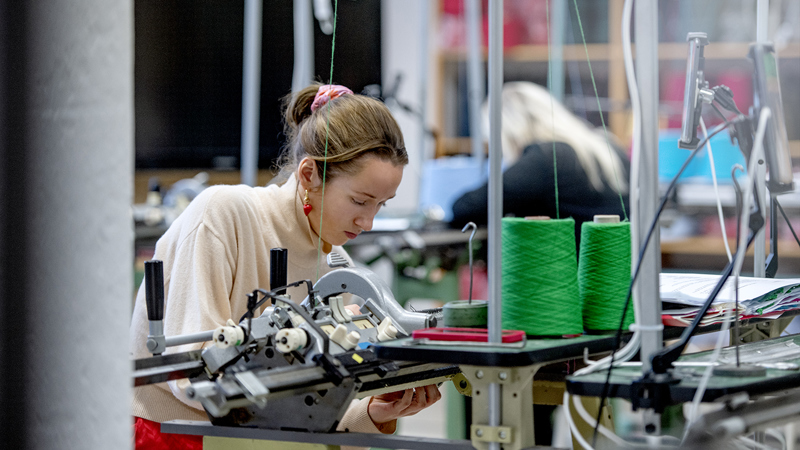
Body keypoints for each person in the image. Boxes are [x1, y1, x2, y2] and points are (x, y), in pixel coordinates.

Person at [130, 83, 441, 449]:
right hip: (179, 434)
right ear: (309, 175)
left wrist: (371, 412)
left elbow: (311, 403)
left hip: (261, 434)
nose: (368, 222)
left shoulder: (334, 261)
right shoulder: (223, 214)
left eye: (381, 205)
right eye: (360, 200)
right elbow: (193, 379)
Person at [451, 81, 630, 243]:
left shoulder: (544, 158)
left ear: (510, 131)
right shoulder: (608, 148)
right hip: (615, 272)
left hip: (566, 273)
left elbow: (466, 207)